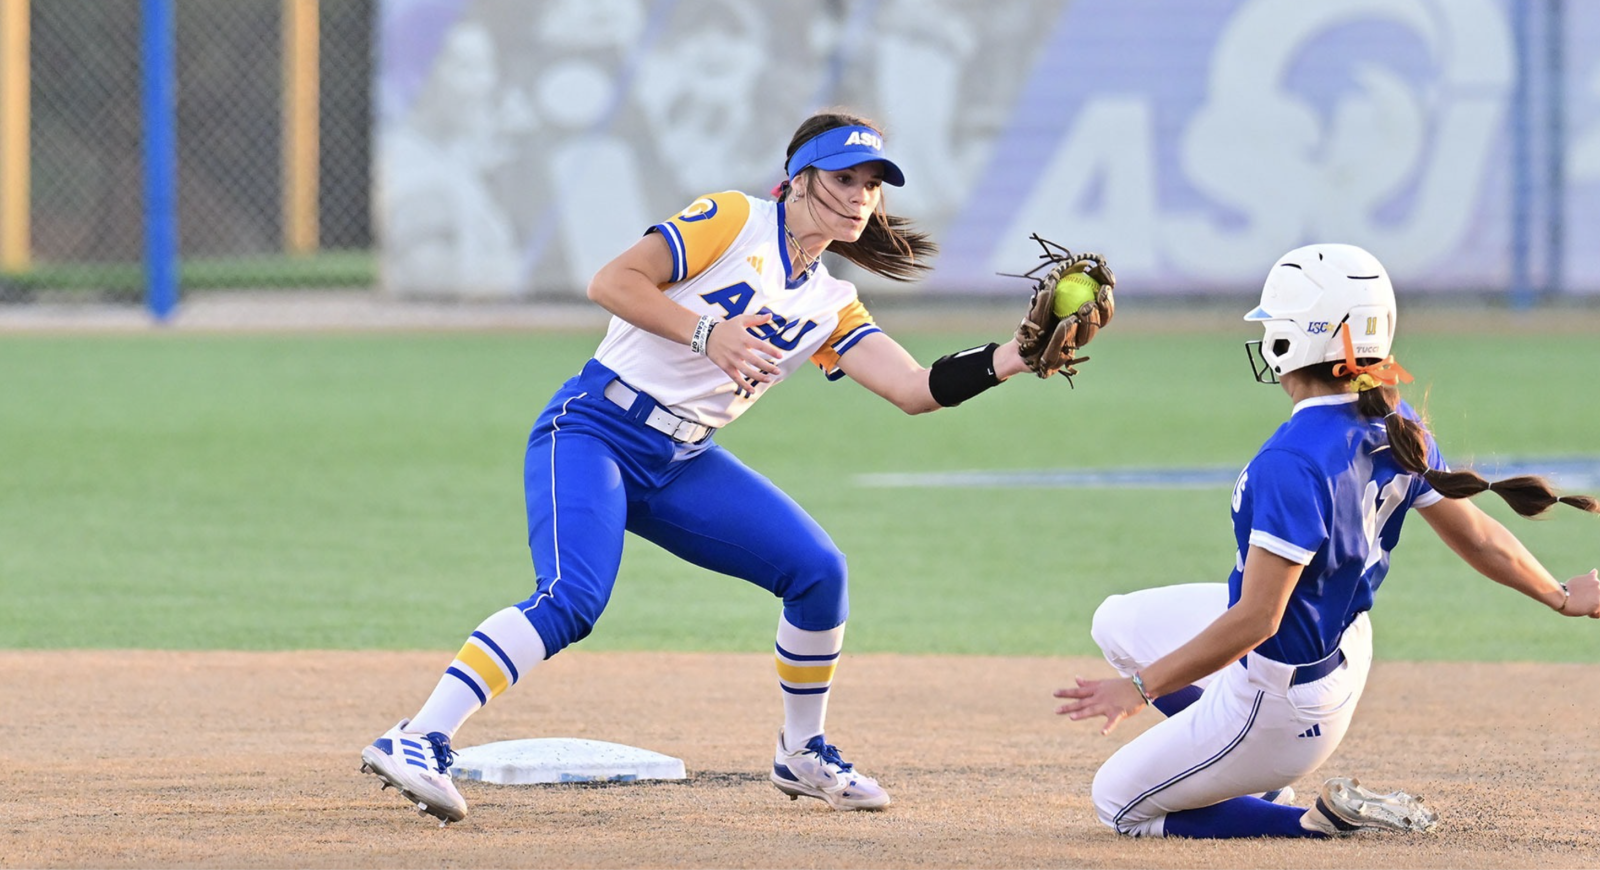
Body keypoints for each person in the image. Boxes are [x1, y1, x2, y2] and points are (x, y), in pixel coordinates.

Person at [360, 109, 1105, 824]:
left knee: (819, 572)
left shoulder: (831, 301)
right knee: (572, 599)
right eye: (845, 178)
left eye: (872, 184)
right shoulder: (733, 218)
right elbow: (613, 283)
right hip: (592, 428)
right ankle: (418, 735)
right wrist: (707, 332)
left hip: (683, 460)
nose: (860, 198)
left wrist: (1013, 358)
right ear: (800, 178)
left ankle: (802, 753)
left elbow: (914, 389)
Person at [1054, 243, 1600, 840]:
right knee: (1115, 623)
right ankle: (1239, 767)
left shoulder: (1292, 461)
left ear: (1293, 341)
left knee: (1118, 803)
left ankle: (1315, 821)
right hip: (1337, 648)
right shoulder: (1397, 422)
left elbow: (1258, 620)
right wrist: (1559, 595)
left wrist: (1139, 689)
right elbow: (1478, 536)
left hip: (1283, 699)